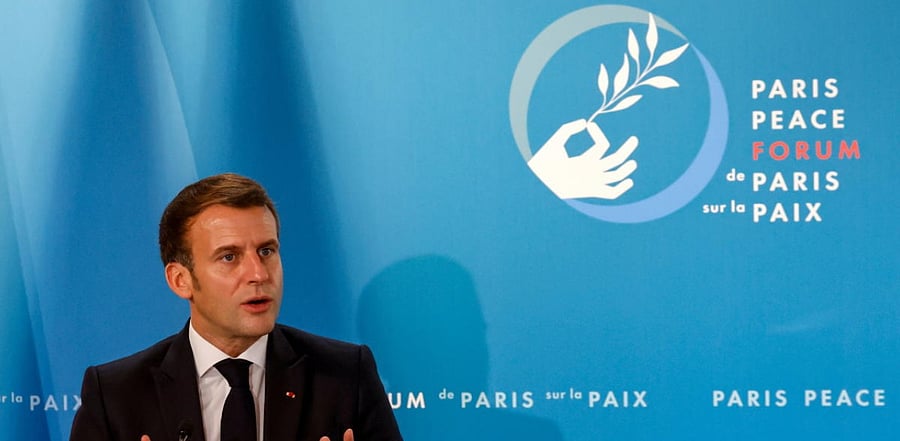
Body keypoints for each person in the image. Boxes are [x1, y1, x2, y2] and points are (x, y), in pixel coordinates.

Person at [70, 173, 402, 441]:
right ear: (180, 280)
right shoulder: (117, 395)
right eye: (229, 257)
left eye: (267, 251)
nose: (258, 274)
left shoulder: (344, 376)